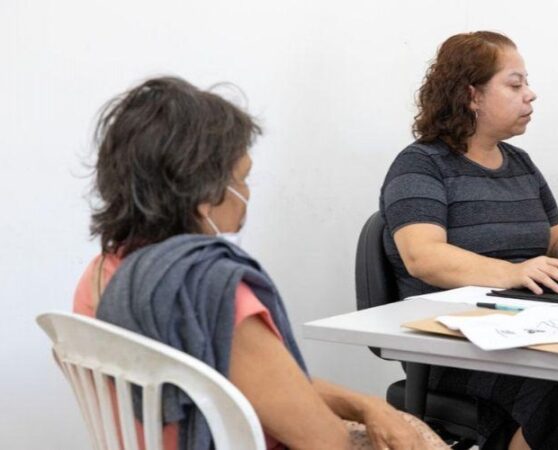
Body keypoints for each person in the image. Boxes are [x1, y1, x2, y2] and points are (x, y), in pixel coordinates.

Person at [73, 76, 448, 450]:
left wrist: (365, 405)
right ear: (204, 197)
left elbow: (252, 381)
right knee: (414, 434)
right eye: (243, 178)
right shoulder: (215, 293)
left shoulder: (99, 279)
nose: (247, 194)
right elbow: (326, 442)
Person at [379, 32, 558, 450]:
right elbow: (422, 257)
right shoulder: (421, 165)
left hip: (524, 326)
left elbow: (555, 246)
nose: (530, 95)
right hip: (453, 344)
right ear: (472, 96)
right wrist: (514, 272)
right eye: (515, 85)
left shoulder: (519, 163)